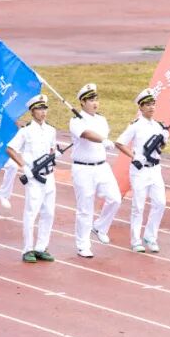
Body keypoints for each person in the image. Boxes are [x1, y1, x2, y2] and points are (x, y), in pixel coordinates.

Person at [7, 94, 64, 263]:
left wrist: (55, 155)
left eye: (44, 108)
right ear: (32, 112)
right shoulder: (25, 131)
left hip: (49, 176)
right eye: (39, 109)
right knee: (31, 213)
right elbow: (10, 149)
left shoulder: (51, 130)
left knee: (49, 213)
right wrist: (24, 167)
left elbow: (51, 150)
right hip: (33, 178)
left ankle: (41, 247)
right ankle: (28, 249)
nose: (43, 112)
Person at [68, 83, 122, 259]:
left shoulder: (101, 119)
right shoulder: (76, 121)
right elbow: (86, 134)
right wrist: (103, 140)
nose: (95, 103)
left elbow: (97, 132)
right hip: (83, 168)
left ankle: (99, 226)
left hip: (102, 167)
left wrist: (102, 139)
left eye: (96, 99)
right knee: (85, 209)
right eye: (90, 100)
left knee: (115, 199)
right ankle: (83, 245)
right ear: (82, 102)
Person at [114, 89, 169, 253]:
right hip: (140, 171)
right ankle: (135, 240)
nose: (151, 107)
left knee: (160, 203)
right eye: (148, 104)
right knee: (138, 206)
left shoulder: (158, 126)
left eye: (153, 104)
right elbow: (120, 143)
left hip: (155, 169)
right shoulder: (135, 125)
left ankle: (150, 236)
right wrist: (134, 156)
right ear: (141, 107)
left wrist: (164, 139)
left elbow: (160, 148)